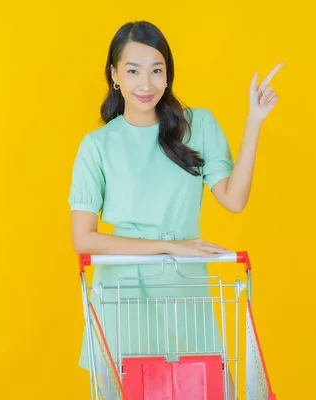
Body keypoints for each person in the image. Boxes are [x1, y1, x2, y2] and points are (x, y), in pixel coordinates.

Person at [69, 20, 282, 393]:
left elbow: (233, 199)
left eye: (157, 71)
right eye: (133, 71)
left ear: (168, 75)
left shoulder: (197, 125)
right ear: (115, 75)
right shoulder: (97, 145)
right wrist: (168, 246)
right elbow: (83, 239)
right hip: (122, 293)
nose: (146, 84)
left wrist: (254, 121)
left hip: (185, 287)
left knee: (215, 387)